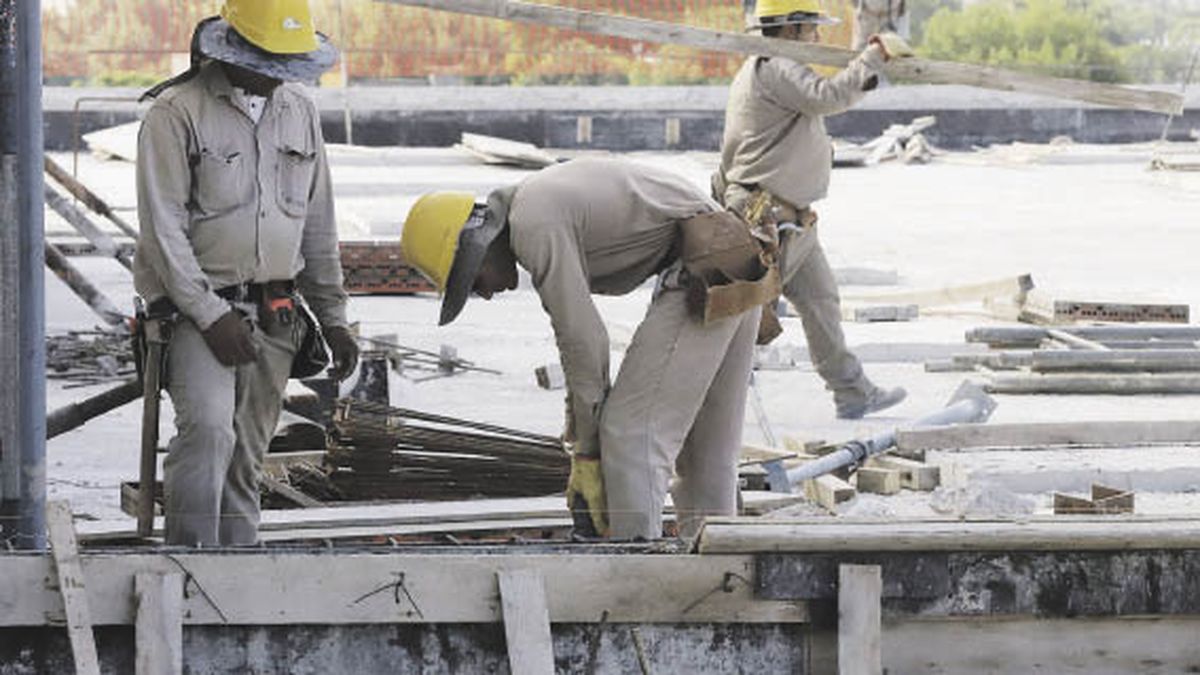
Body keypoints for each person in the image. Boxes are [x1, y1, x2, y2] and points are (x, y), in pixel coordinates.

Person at [400, 157, 774, 540]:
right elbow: (578, 352)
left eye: (472, 282)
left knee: (632, 432)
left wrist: (588, 452)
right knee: (706, 454)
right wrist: (579, 433)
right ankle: (722, 563)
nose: (484, 294)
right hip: (734, 258)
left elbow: (582, 339)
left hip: (706, 266)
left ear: (477, 247)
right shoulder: (536, 203)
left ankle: (636, 564)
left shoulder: (533, 224)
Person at [134, 0, 358, 546]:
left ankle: (237, 568)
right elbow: (163, 232)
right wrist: (211, 315)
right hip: (195, 312)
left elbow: (317, 225)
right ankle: (188, 566)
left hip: (276, 313)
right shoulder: (176, 113)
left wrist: (333, 318)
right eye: (270, 61)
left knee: (247, 454)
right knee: (209, 432)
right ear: (234, 48)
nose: (280, 75)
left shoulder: (299, 112)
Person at [715, 0, 910, 420]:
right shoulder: (777, 66)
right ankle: (706, 400)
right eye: (812, 29)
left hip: (789, 217)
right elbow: (829, 96)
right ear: (792, 29)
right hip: (769, 216)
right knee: (744, 315)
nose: (818, 37)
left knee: (821, 300)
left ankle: (852, 391)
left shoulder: (761, 68)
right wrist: (873, 58)